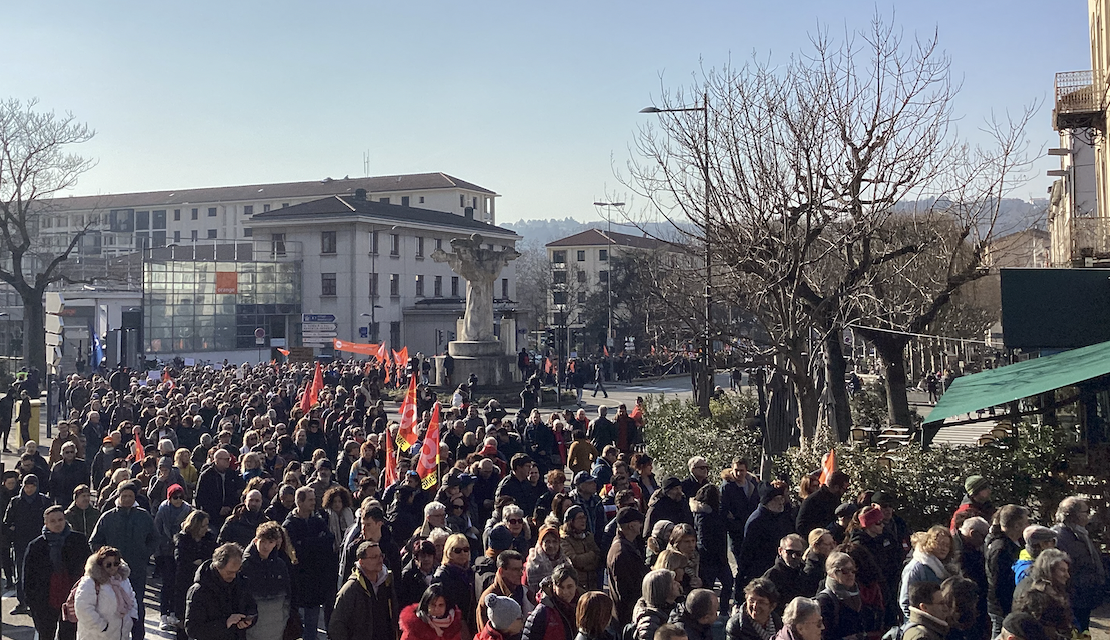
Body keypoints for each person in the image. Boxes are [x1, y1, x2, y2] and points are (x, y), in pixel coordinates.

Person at [89, 481, 157, 640]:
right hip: (112, 572)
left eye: (130, 496)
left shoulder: (143, 516)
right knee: (113, 605)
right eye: (124, 496)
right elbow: (94, 541)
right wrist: (104, 560)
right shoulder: (108, 517)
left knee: (137, 604)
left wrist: (145, 553)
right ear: (118, 496)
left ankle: (138, 636)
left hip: (137, 569)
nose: (126, 499)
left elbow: (155, 538)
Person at [23, 505, 91, 640]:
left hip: (71, 595)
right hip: (45, 598)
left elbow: (89, 568)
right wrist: (31, 601)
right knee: (46, 634)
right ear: (46, 523)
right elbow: (28, 576)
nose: (57, 524)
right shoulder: (36, 546)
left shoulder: (78, 540)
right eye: (52, 521)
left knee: (68, 634)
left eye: (60, 520)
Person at [284, 485, 340, 640]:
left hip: (315, 582)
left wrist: (309, 544)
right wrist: (316, 543)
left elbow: (329, 540)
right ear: (299, 502)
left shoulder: (318, 521)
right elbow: (296, 551)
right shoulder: (289, 525)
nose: (313, 503)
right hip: (298, 581)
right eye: (309, 500)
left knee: (312, 627)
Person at [1051, 496, 1105, 632]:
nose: (1089, 515)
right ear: (1073, 515)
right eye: (1085, 511)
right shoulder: (1059, 536)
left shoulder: (1081, 533)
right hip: (1073, 599)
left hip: (1085, 597)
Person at [184, 542, 259, 640]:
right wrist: (226, 623)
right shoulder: (200, 590)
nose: (233, 576)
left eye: (237, 571)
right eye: (229, 572)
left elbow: (252, 607)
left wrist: (249, 619)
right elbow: (193, 630)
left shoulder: (241, 583)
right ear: (217, 566)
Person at [329, 540, 400, 640]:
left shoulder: (387, 581)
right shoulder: (351, 588)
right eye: (374, 557)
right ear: (361, 562)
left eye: (381, 556)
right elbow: (336, 624)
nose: (380, 560)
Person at [239, 521, 295, 640]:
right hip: (252, 628)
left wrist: (283, 618)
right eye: (262, 541)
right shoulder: (244, 565)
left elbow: (287, 595)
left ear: (276, 544)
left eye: (270, 542)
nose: (266, 546)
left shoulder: (280, 565)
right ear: (255, 540)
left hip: (277, 627)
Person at [5, 473, 51, 616]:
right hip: (20, 543)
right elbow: (7, 521)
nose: (29, 489)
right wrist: (11, 532)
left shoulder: (44, 501)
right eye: (26, 486)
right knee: (21, 573)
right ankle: (22, 602)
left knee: (40, 572)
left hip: (40, 543)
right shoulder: (16, 502)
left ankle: (38, 602)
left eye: (32, 486)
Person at [73, 546, 139, 640]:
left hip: (121, 635)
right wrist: (102, 627)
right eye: (108, 564)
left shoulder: (123, 580)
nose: (113, 567)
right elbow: (83, 608)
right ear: (101, 564)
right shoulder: (90, 582)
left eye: (116, 564)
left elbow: (132, 599)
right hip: (96, 636)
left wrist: (131, 618)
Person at [737, 484, 794, 591]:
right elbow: (747, 553)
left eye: (782, 498)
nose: (781, 502)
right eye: (777, 499)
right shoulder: (756, 521)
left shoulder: (780, 516)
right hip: (761, 569)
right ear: (768, 502)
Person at [153, 483, 191, 630]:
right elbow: (156, 531)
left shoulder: (188, 510)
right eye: (175, 497)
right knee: (167, 583)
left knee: (178, 583)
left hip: (180, 550)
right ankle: (163, 615)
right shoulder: (163, 511)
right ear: (169, 497)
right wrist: (157, 553)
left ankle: (174, 613)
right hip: (165, 551)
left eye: (181, 496)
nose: (178, 500)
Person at [986, 505, 1028, 637]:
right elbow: (999, 583)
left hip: (1007, 604)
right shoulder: (1001, 549)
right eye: (1026, 521)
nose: (1028, 525)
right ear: (1017, 525)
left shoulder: (1014, 543)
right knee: (1000, 635)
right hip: (1002, 607)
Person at [691, 483, 731, 613]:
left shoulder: (709, 513)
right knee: (711, 587)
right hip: (711, 558)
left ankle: (722, 611)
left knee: (727, 583)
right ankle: (712, 611)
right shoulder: (704, 516)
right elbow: (704, 539)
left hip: (717, 557)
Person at [899, 525, 954, 617]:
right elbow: (906, 601)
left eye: (947, 545)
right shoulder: (917, 567)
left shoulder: (948, 568)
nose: (944, 548)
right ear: (929, 543)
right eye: (940, 544)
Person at [608, 506, 647, 627]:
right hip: (627, 615)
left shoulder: (626, 545)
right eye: (639, 522)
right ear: (631, 525)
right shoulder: (621, 552)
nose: (641, 525)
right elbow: (625, 592)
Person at [434, 532, 479, 637]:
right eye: (457, 550)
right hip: (451, 628)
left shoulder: (470, 572)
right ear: (449, 552)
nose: (463, 553)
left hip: (471, 623)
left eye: (466, 549)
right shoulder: (441, 576)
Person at [815, 551, 867, 640]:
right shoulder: (824, 600)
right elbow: (823, 636)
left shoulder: (858, 593)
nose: (850, 574)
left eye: (853, 570)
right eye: (845, 571)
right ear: (831, 573)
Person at [478, 550, 534, 629]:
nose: (521, 574)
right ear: (501, 571)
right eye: (515, 569)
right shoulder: (489, 599)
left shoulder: (526, 593)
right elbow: (486, 633)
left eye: (521, 569)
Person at [523, 564, 579, 640]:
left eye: (569, 587)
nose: (565, 592)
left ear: (576, 585)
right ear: (554, 586)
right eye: (561, 587)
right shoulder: (543, 612)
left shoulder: (583, 607)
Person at [196, 449, 244, 529]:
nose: (229, 461)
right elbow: (201, 497)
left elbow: (238, 493)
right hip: (211, 517)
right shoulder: (206, 476)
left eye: (229, 459)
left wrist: (230, 507)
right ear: (217, 460)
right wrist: (217, 509)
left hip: (230, 516)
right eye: (226, 459)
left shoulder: (233, 475)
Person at [761, 534, 808, 616]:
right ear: (780, 551)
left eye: (798, 553)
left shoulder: (804, 572)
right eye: (790, 552)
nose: (794, 556)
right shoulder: (771, 576)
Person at [401, 582, 465, 640]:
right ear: (426, 605)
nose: (436, 609)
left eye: (441, 605)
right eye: (433, 605)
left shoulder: (453, 625)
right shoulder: (415, 628)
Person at [794, 472, 849, 538]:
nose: (844, 492)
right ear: (836, 487)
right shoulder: (812, 500)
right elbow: (801, 526)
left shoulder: (835, 499)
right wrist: (820, 535)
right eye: (844, 489)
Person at [561, 505, 602, 590]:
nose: (583, 520)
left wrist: (585, 566)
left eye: (584, 517)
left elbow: (598, 556)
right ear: (571, 521)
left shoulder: (588, 536)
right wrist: (591, 555)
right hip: (578, 586)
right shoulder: (564, 540)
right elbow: (575, 560)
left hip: (592, 583)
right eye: (579, 518)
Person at [632, 569, 681, 640]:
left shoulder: (674, 608)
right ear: (663, 588)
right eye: (673, 583)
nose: (678, 584)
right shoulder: (649, 622)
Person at [526, 524, 568, 595]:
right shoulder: (533, 563)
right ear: (541, 544)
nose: (551, 545)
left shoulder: (565, 561)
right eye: (547, 542)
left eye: (554, 541)